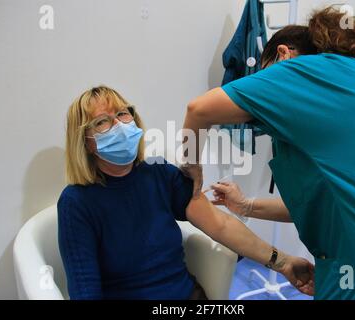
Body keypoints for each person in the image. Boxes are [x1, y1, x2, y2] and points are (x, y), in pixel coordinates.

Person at [181, 6, 355, 300]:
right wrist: (245, 206)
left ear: (282, 55)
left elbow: (199, 109)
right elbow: (322, 205)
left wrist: (191, 167)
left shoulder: (300, 72)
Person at [58, 85, 314, 300]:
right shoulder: (76, 203)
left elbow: (221, 224)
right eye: (102, 121)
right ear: (86, 142)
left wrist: (283, 262)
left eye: (123, 114)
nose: (118, 125)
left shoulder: (160, 175)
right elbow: (85, 289)